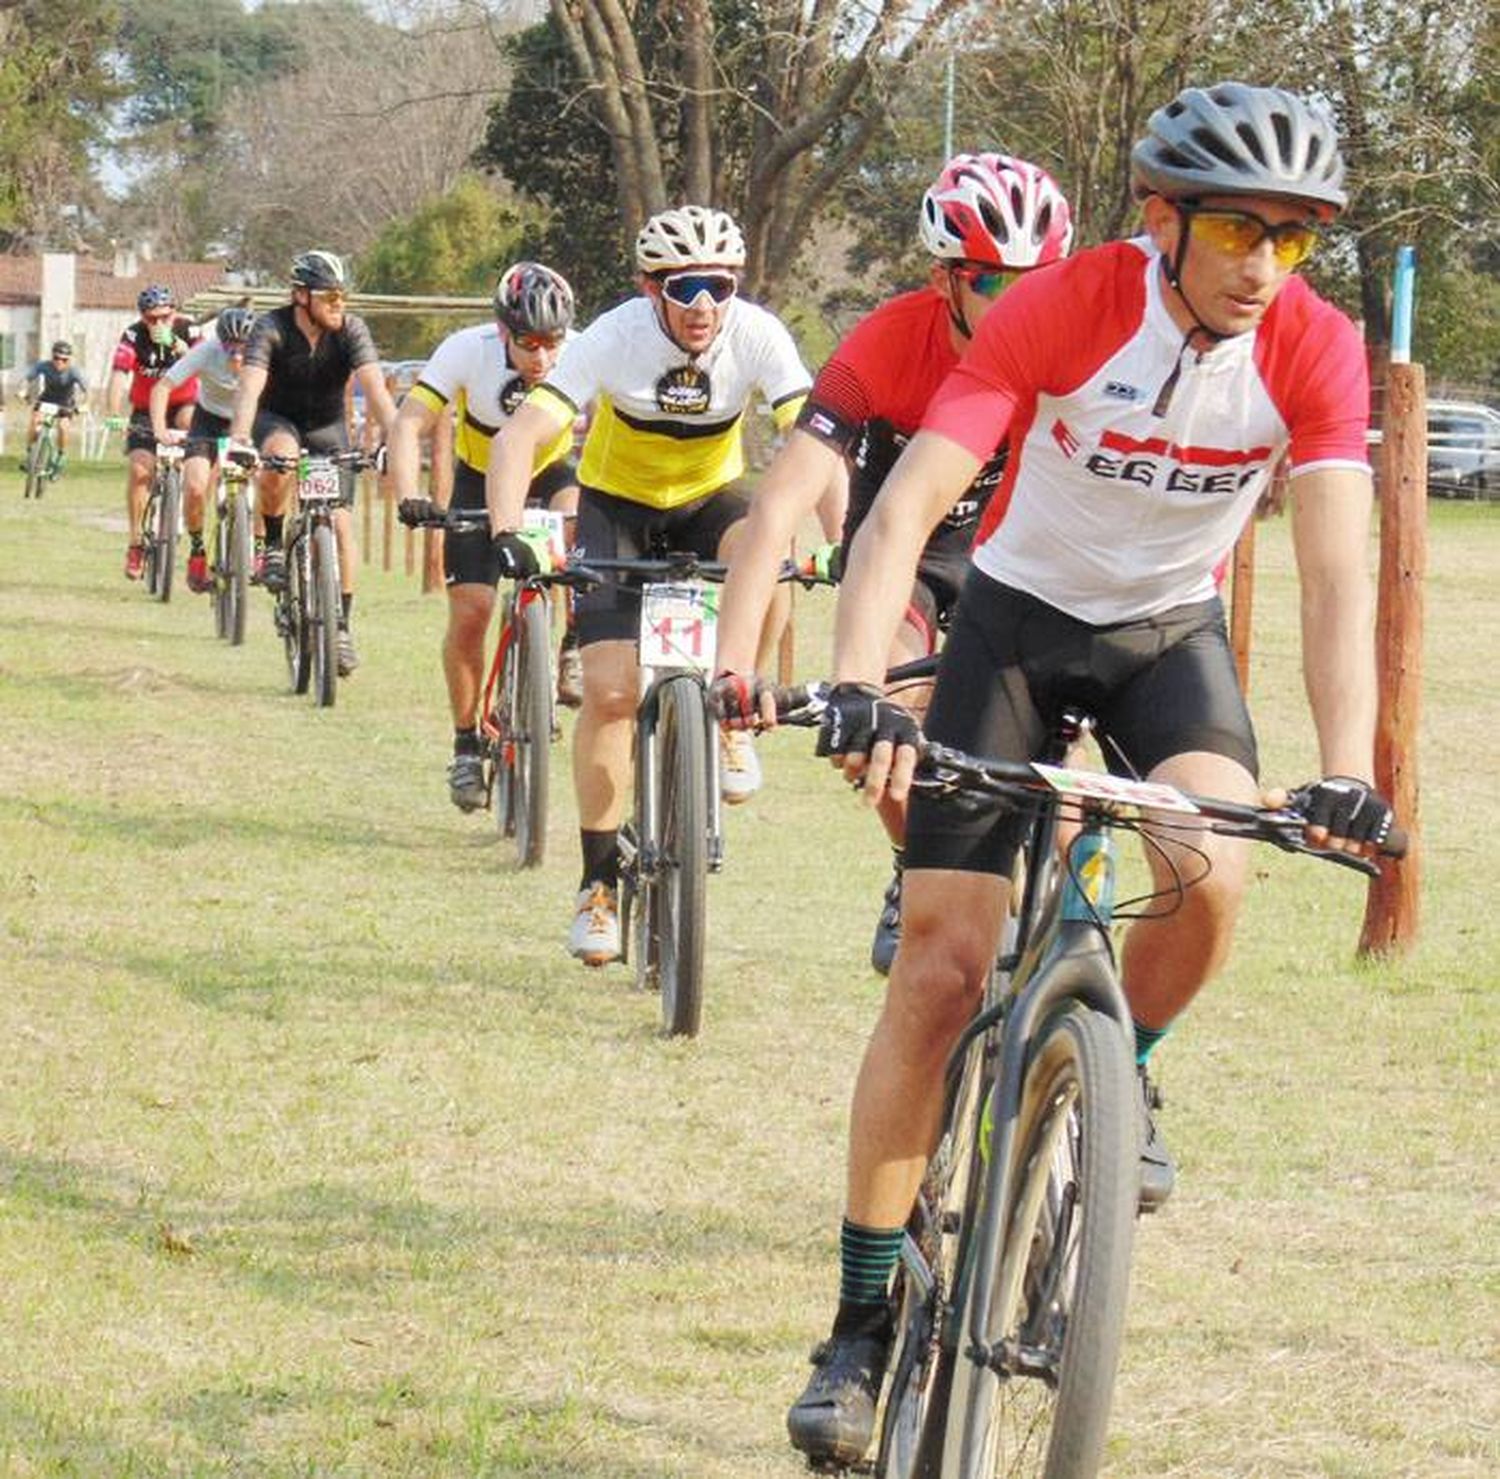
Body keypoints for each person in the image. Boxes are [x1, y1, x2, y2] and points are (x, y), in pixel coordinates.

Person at [785, 81, 1398, 1468]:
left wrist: (1348, 766)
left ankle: (1122, 1068)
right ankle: (862, 1322)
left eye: (1294, 240)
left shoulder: (1312, 345)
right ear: (1162, 217)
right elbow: (909, 504)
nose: (1263, 267)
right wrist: (857, 679)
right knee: (941, 970)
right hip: (1013, 621)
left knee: (1216, 871)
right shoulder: (1061, 306)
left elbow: (1336, 567)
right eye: (1241, 230)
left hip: (1168, 638)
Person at [713, 152, 1074, 975]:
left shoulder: (1071, 349)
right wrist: (733, 663)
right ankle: (914, 866)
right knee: (886, 714)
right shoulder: (885, 340)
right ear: (944, 277)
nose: (1016, 305)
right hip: (900, 551)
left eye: (1036, 283)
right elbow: (779, 504)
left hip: (1014, 554)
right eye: (990, 282)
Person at [485, 205, 812, 966]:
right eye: (685, 285)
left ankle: (732, 713)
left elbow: (814, 438)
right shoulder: (612, 336)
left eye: (719, 286)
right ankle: (598, 883)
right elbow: (522, 435)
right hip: (617, 511)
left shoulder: (757, 334)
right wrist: (507, 532)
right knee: (608, 693)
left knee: (773, 550)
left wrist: (847, 537)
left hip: (711, 503)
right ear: (649, 287)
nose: (703, 304)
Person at [390, 261, 583, 812]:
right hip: (478, 481)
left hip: (552, 474)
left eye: (552, 342)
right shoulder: (465, 349)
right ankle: (467, 743)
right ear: (502, 331)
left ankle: (570, 644)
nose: (542, 357)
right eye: (528, 343)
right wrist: (410, 493)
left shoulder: (584, 348)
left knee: (580, 533)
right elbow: (409, 423)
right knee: (472, 612)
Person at [226, 250, 398, 677]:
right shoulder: (272, 327)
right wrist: (241, 438)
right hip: (276, 419)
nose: (339, 305)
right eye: (329, 297)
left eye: (342, 296)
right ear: (301, 296)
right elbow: (250, 387)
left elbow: (376, 390)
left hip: (327, 427)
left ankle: (340, 626)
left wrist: (397, 440)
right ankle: (272, 548)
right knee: (280, 459)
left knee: (339, 525)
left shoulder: (352, 330)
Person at [149, 306, 256, 593]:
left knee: (269, 479)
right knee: (196, 488)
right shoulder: (207, 351)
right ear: (220, 343)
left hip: (249, 423)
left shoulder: (265, 357)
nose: (236, 355)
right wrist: (160, 430)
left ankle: (258, 546)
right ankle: (197, 551)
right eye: (229, 347)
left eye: (243, 348)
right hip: (207, 422)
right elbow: (163, 387)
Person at [108, 285, 198, 579]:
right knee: (139, 471)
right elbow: (119, 375)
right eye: (151, 319)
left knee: (190, 422)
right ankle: (135, 543)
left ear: (175, 312)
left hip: (183, 404)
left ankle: (183, 498)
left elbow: (200, 360)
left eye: (165, 316)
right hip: (146, 410)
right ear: (142, 317)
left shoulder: (189, 329)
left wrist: (175, 342)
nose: (158, 323)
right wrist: (113, 414)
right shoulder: (133, 336)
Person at [21, 340, 88, 480]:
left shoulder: (74, 372)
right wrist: (22, 390)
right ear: (52, 357)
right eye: (56, 358)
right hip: (46, 400)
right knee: (34, 421)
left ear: (69, 360)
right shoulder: (44, 366)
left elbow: (87, 391)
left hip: (65, 404)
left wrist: (84, 405)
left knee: (63, 427)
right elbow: (27, 379)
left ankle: (60, 458)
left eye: (64, 359)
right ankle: (29, 455)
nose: (59, 362)